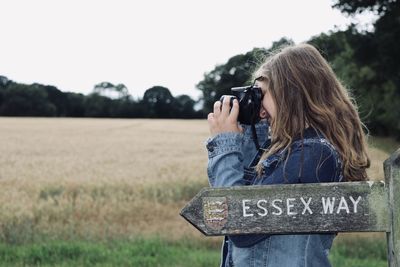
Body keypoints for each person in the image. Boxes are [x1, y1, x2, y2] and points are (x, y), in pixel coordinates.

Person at [205, 43, 370, 267]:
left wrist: (225, 143)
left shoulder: (312, 155)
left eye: (262, 95)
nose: (261, 109)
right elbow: (242, 188)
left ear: (291, 94)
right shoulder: (291, 150)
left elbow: (239, 223)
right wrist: (254, 123)